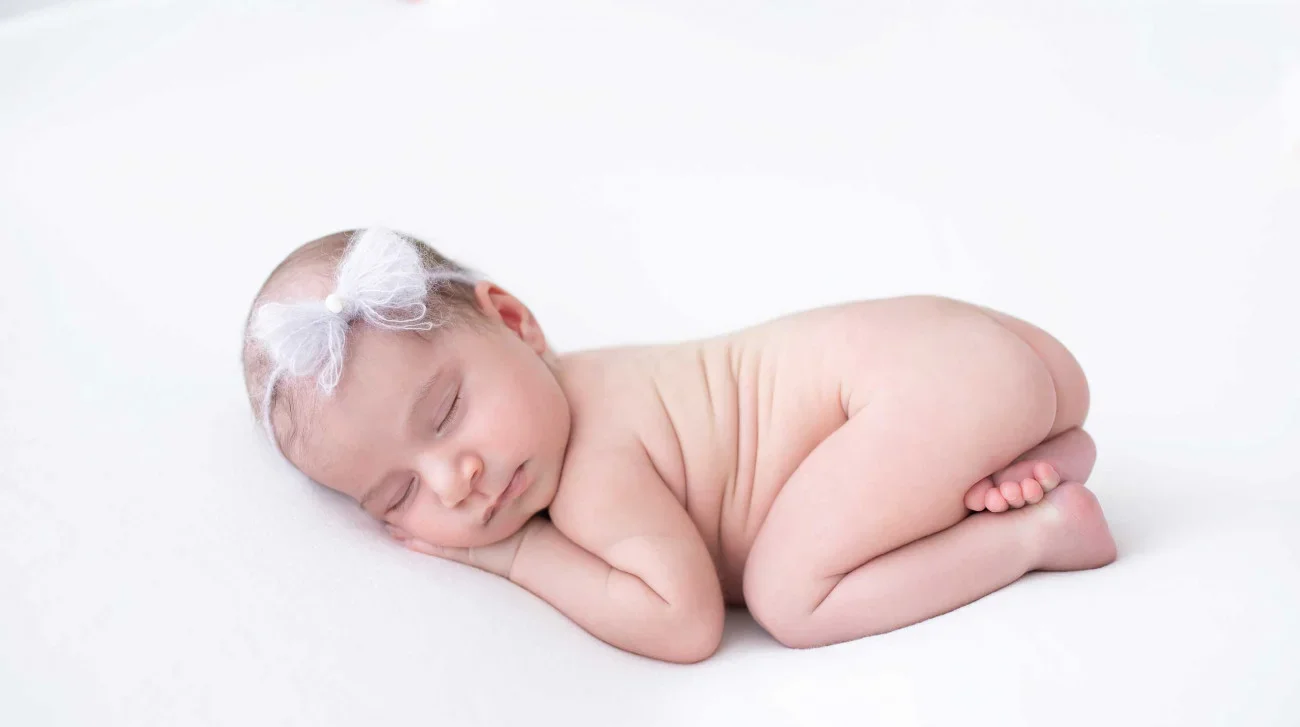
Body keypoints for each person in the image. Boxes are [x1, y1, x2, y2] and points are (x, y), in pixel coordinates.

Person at [241, 227, 1116, 663]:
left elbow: (686, 619)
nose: (454, 479)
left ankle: (1034, 532)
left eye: (445, 413)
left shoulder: (591, 471)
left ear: (517, 321)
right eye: (399, 496)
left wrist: (517, 558)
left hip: (921, 385)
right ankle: (1026, 455)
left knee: (788, 595)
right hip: (977, 364)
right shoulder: (576, 384)